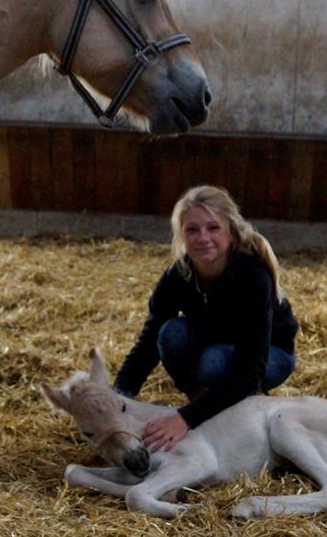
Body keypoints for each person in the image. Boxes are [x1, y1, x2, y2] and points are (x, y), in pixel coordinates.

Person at [113, 185, 299, 453]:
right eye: (192, 229)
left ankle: (239, 410)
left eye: (213, 228)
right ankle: (206, 403)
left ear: (231, 232)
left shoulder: (252, 276)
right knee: (170, 333)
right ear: (181, 236)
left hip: (269, 354)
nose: (203, 238)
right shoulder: (178, 275)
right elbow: (148, 342)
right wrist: (118, 397)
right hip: (216, 342)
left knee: (214, 362)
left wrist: (184, 418)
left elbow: (250, 368)